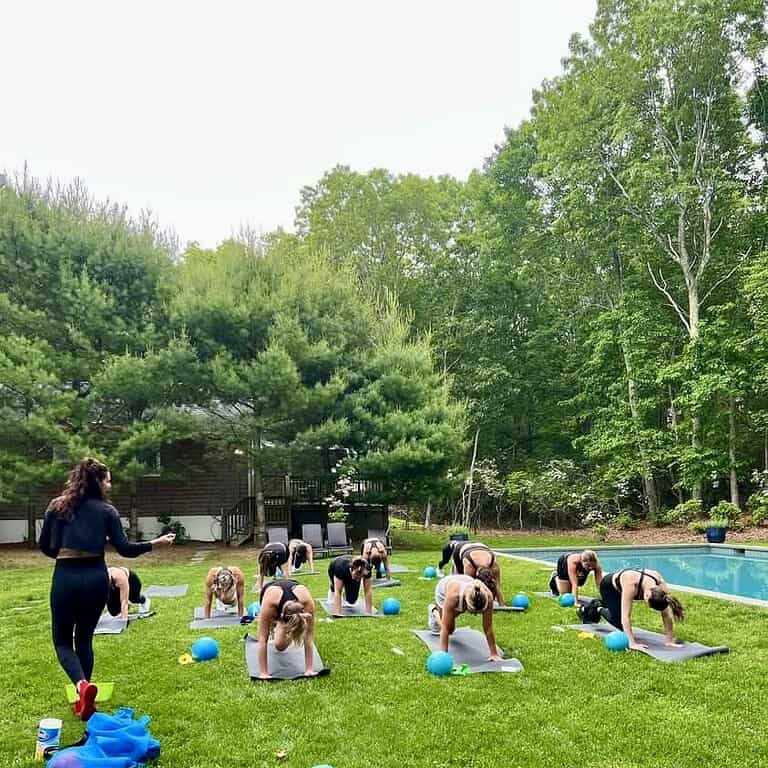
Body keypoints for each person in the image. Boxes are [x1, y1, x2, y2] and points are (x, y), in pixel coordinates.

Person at [39, 458, 175, 721]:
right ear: (98, 482)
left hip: (66, 576)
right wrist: (155, 544)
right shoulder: (107, 511)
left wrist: (65, 550)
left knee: (62, 641)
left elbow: (47, 547)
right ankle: (85, 698)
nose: (110, 485)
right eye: (108, 480)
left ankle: (81, 687)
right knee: (85, 639)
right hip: (95, 578)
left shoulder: (56, 507)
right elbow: (125, 550)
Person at [599, 568, 685, 651]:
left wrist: (669, 640)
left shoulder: (660, 585)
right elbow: (625, 616)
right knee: (618, 621)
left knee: (624, 627)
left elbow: (666, 614)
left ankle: (604, 605)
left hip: (626, 587)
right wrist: (632, 643)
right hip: (609, 587)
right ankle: (597, 608)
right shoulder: (631, 584)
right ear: (647, 595)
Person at [427, 575, 501, 661]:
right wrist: (443, 656)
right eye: (473, 612)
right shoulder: (453, 597)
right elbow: (445, 629)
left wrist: (494, 653)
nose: (475, 615)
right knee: (449, 629)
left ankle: (450, 613)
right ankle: (434, 611)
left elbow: (488, 627)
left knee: (451, 622)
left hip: (465, 586)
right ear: (466, 601)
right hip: (443, 590)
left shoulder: (488, 596)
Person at [256, 578, 316, 679]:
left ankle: (282, 631)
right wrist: (263, 673)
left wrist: (309, 669)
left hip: (293, 587)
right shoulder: (270, 604)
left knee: (281, 645)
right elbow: (262, 638)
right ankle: (274, 629)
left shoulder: (307, 602)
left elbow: (309, 637)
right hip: (271, 591)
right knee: (276, 641)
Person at [452, 541, 505, 606]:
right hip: (460, 549)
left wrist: (502, 605)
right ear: (476, 574)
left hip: (480, 546)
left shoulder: (494, 565)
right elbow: (467, 586)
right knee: (459, 580)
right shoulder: (469, 566)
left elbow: (497, 585)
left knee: (493, 584)